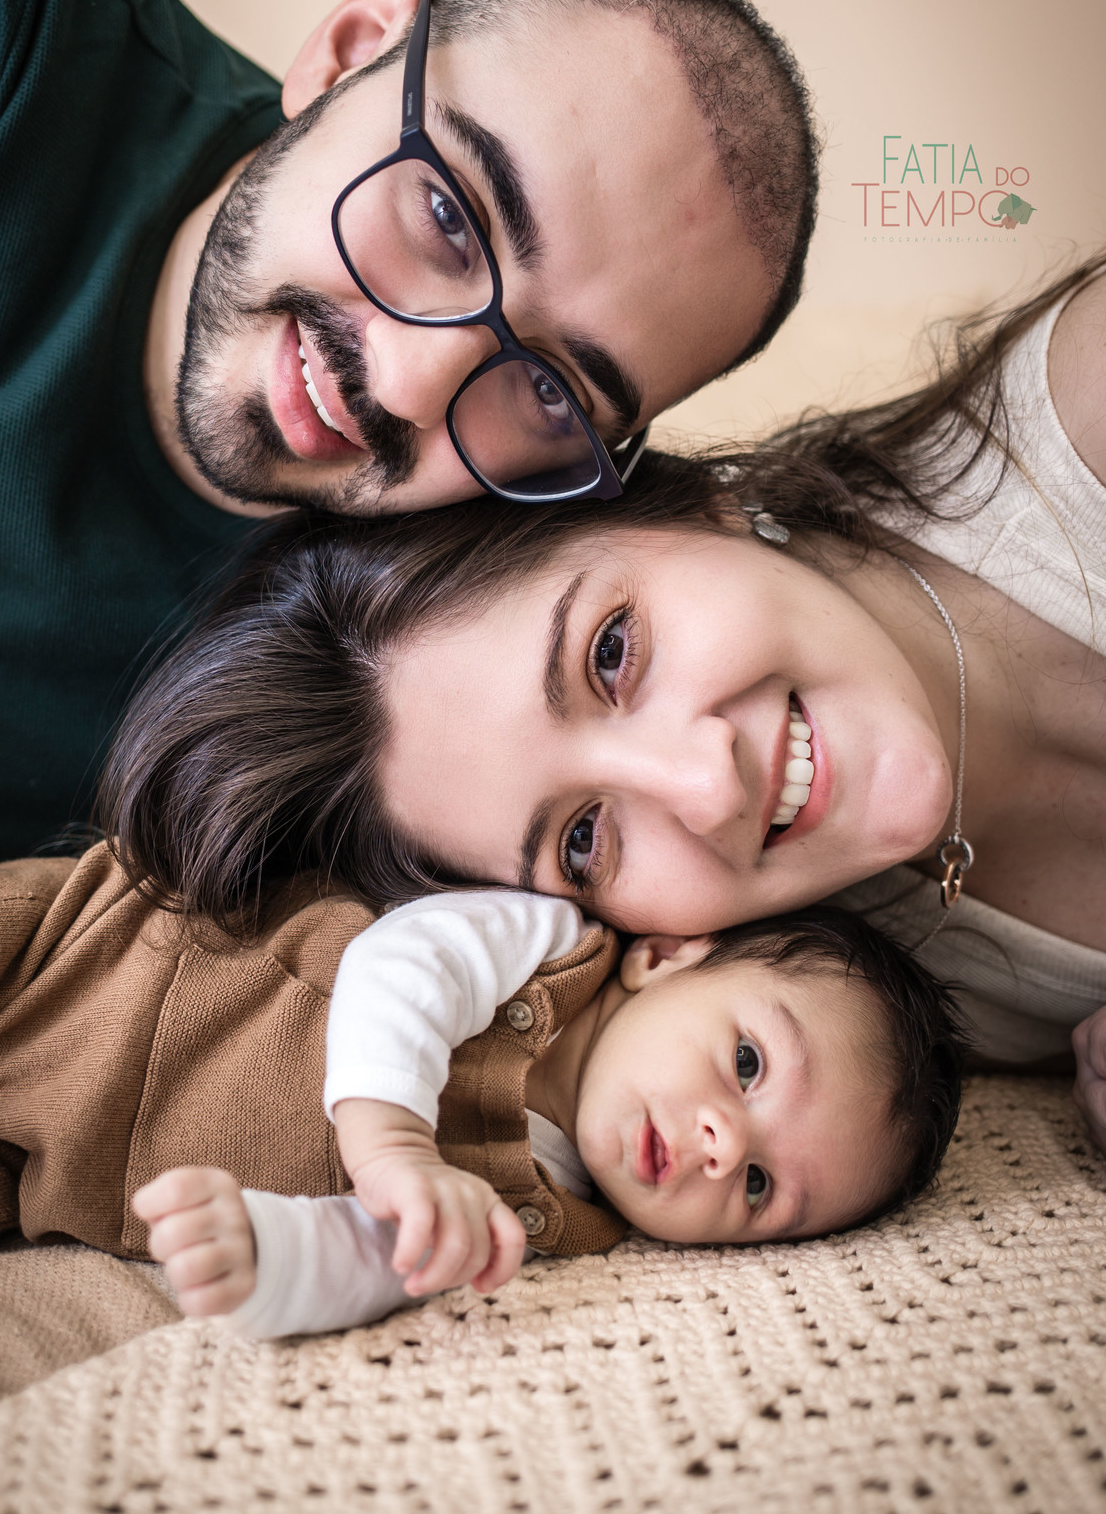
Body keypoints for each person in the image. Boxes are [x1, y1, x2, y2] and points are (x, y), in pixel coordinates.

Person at [0, 0, 818, 887]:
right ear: (351, 48)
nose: (409, 386)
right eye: (448, 217)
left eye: (549, 388)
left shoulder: (414, 681)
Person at [100, 255, 1106, 1153]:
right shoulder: (834, 1014)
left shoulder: (1087, 408)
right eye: (582, 842)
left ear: (698, 503)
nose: (707, 789)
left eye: (611, 653)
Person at [0, 842, 963, 1336]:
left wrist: (271, 1254)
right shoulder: (550, 945)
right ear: (669, 955)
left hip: (36, 1171)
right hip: (81, 958)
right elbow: (404, 968)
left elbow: (384, 1258)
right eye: (748, 1066)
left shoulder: (540, 1224)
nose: (724, 1148)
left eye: (762, 1188)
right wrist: (394, 1148)